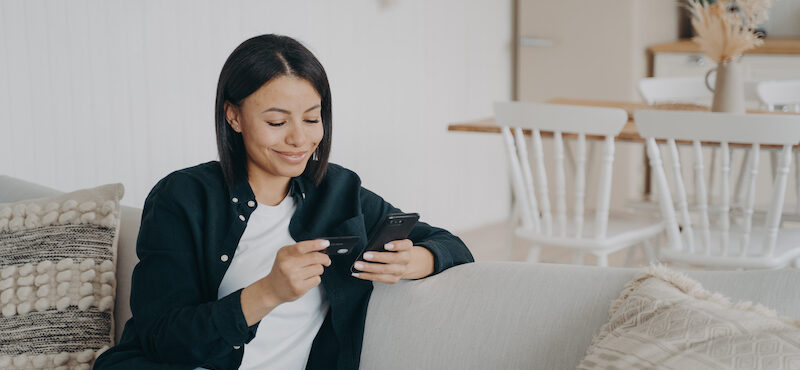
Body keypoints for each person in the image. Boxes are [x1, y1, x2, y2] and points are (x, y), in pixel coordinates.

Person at [93, 34, 474, 370]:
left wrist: (413, 261)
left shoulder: (337, 191)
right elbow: (161, 337)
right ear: (233, 116)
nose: (299, 139)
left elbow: (450, 244)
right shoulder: (183, 198)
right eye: (277, 122)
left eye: (312, 119)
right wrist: (268, 292)